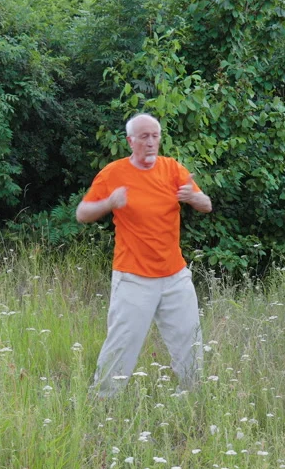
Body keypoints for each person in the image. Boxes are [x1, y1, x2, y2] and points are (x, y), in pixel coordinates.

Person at [76, 113, 212, 397]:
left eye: (155, 136)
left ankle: (193, 396)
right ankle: (102, 402)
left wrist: (192, 197)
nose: (151, 142)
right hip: (133, 277)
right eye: (144, 137)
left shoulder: (172, 168)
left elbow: (206, 204)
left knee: (190, 340)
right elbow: (82, 213)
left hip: (175, 275)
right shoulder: (114, 173)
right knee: (123, 343)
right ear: (130, 141)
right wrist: (109, 202)